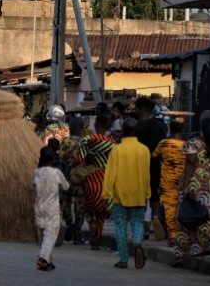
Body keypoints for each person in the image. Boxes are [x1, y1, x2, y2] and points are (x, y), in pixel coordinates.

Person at [174, 118, 210, 266]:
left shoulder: (193, 144)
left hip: (196, 185)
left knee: (189, 218)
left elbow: (190, 164)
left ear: (201, 129)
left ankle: (182, 255)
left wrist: (185, 187)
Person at [102, 118, 150, 269]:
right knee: (137, 223)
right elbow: (146, 175)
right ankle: (137, 243)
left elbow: (111, 174)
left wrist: (106, 195)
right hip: (139, 195)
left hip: (120, 196)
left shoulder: (117, 149)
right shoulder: (144, 150)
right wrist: (147, 194)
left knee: (121, 227)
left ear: (122, 132)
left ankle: (123, 260)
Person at [73, 113, 116, 250]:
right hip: (106, 180)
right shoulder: (113, 143)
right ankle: (96, 242)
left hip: (91, 178)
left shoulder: (87, 140)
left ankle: (91, 223)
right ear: (108, 126)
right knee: (102, 212)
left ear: (95, 125)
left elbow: (79, 160)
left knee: (86, 208)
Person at [134, 97, 167, 241]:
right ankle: (155, 217)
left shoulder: (134, 126)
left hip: (138, 167)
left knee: (141, 198)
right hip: (156, 166)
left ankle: (144, 227)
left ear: (139, 109)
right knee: (155, 197)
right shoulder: (160, 126)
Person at [33, 146, 70, 271]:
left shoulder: (36, 172)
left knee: (43, 233)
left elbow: (32, 187)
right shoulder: (56, 173)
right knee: (51, 234)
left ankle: (48, 262)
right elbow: (66, 186)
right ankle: (42, 258)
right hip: (52, 207)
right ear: (53, 158)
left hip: (39, 206)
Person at [152, 119, 186, 245]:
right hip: (182, 181)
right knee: (181, 208)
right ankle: (180, 233)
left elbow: (153, 156)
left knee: (169, 208)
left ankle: (172, 235)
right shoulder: (186, 146)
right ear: (183, 130)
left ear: (169, 128)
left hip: (167, 181)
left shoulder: (163, 144)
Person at [59, 117, 88, 244]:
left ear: (70, 128)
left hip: (67, 178)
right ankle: (77, 236)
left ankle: (69, 222)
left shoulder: (66, 141)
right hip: (81, 179)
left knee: (65, 203)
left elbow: (60, 158)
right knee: (80, 207)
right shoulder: (86, 142)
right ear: (82, 129)